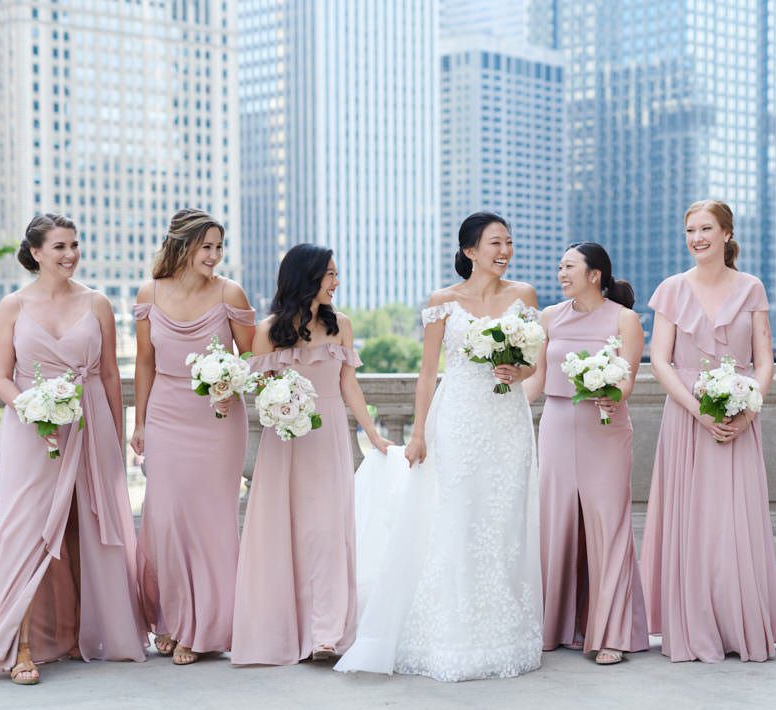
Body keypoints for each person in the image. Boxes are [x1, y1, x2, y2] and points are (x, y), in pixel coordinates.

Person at [336, 211, 543, 682]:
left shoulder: (524, 297)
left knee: (504, 521)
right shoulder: (442, 302)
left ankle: (503, 631)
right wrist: (419, 432)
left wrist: (520, 372)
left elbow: (535, 364)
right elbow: (428, 372)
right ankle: (452, 633)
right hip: (459, 420)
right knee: (460, 518)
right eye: (494, 243)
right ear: (470, 251)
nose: (504, 251)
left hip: (507, 421)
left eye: (508, 242)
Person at [0, 214, 146, 683]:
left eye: (75, 245)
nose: (70, 254)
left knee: (82, 529)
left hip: (90, 424)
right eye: (60, 247)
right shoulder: (12, 305)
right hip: (32, 430)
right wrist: (30, 409)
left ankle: (75, 634)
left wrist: (117, 434)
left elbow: (109, 374)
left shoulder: (97, 302)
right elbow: (1, 376)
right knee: (27, 534)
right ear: (36, 253)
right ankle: (21, 647)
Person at [231, 245, 391, 666]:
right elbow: (259, 389)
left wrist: (372, 433)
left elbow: (348, 385)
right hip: (285, 441)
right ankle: (287, 630)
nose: (336, 282)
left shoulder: (342, 326)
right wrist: (279, 404)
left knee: (327, 532)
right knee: (287, 531)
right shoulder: (267, 331)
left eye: (336, 274)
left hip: (329, 436)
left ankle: (326, 633)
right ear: (307, 277)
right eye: (330, 275)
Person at [640, 200, 776, 663]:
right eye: (690, 230)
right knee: (693, 522)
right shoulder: (671, 289)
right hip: (687, 420)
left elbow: (764, 363)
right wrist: (699, 412)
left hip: (740, 420)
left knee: (735, 523)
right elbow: (659, 361)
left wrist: (747, 411)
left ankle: (741, 627)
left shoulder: (752, 288)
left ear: (726, 233)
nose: (697, 237)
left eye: (705, 228)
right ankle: (692, 625)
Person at [132, 208, 255, 666]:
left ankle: (200, 631)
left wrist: (229, 386)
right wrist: (140, 421)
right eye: (207, 246)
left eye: (220, 247)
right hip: (166, 414)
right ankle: (169, 618)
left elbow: (253, 356)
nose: (215, 255)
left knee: (210, 521)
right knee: (163, 519)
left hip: (218, 421)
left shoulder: (230, 293)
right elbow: (144, 361)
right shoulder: (150, 293)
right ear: (182, 246)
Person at [525, 242, 648, 665]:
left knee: (607, 523)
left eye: (569, 266)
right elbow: (537, 380)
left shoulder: (625, 319)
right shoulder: (548, 317)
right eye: (559, 266)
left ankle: (610, 633)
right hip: (557, 425)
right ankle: (554, 626)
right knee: (555, 522)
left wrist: (614, 396)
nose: (561, 273)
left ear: (595, 274)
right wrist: (499, 399)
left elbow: (627, 379)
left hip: (605, 427)